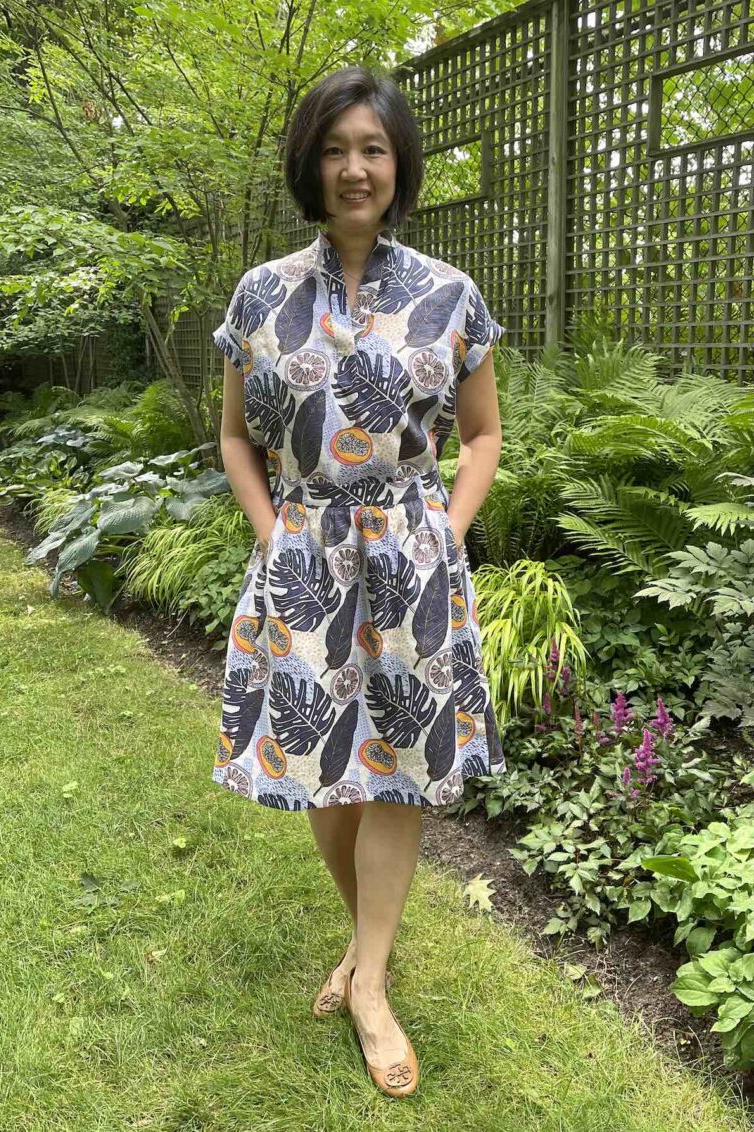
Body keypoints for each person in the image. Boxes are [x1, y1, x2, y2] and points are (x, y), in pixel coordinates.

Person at [212, 64, 507, 1098]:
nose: (354, 168)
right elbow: (236, 438)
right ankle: (364, 941)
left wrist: (446, 539)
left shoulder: (448, 294)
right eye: (335, 148)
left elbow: (481, 438)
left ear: (397, 162)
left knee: (399, 763)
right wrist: (270, 537)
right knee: (318, 763)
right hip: (302, 558)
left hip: (413, 557)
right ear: (311, 161)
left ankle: (369, 978)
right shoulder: (259, 293)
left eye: (372, 148)